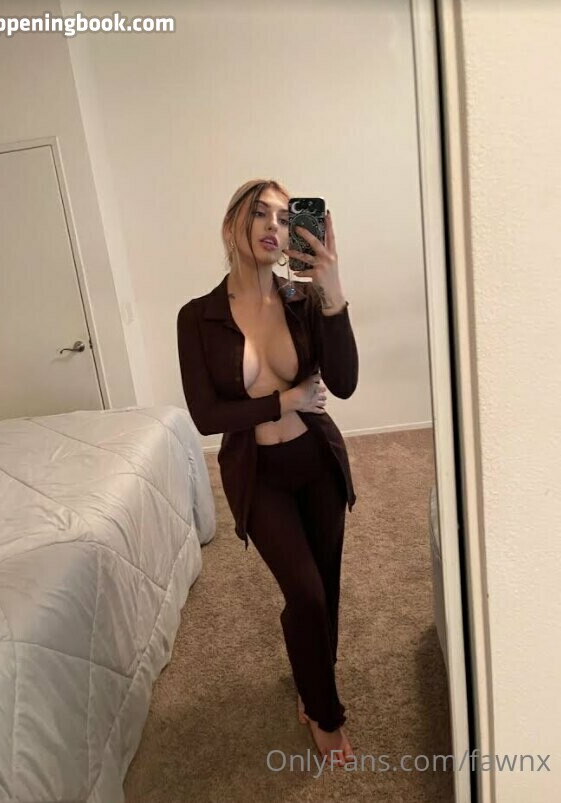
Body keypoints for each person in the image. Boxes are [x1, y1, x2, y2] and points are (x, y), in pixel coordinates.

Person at [176, 178, 358, 764]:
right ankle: (326, 714)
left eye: (284, 217)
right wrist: (284, 401)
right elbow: (207, 415)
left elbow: (345, 382)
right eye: (260, 213)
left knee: (324, 585)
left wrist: (331, 290)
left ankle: (313, 683)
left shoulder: (302, 300)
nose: (273, 226)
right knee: (303, 592)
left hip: (317, 460)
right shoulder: (197, 318)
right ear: (233, 223)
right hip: (259, 474)